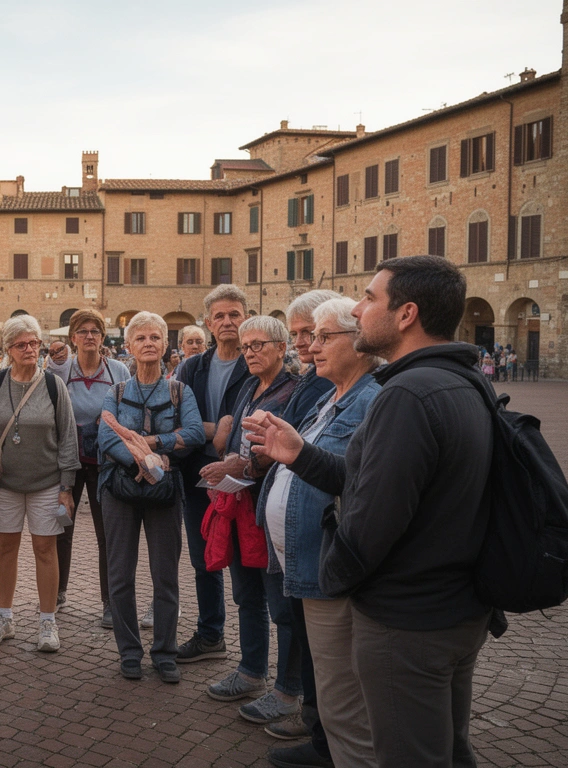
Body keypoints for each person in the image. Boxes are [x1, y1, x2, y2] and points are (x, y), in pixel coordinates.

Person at [248, 255, 494, 767]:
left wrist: (331, 577)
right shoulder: (464, 380)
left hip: (409, 615)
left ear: (406, 314)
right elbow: (377, 483)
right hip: (453, 603)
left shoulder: (406, 394)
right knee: (446, 748)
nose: (359, 309)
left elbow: (373, 517)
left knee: (400, 749)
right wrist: (301, 455)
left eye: (369, 298)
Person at [251, 298, 382, 768]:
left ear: (360, 341)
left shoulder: (371, 398)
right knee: (326, 676)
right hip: (307, 560)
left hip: (331, 561)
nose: (310, 347)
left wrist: (293, 451)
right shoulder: (332, 394)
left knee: (342, 687)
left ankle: (337, 751)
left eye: (324, 337)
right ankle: (326, 746)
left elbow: (356, 478)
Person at [198, 316, 302, 724]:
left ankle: (288, 690)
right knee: (246, 594)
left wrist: (244, 463)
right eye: (246, 347)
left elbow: (292, 450)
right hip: (241, 503)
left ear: (281, 347)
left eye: (260, 344)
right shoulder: (247, 386)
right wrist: (227, 466)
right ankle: (251, 670)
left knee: (282, 604)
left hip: (271, 506)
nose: (251, 353)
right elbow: (236, 440)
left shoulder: (295, 390)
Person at [97, 312, 203, 683]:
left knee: (165, 576)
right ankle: (129, 652)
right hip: (120, 490)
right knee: (120, 575)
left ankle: (164, 652)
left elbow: (194, 433)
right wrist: (139, 460)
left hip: (164, 490)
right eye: (140, 338)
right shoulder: (117, 391)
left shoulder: (180, 391)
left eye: (155, 337)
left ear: (165, 345)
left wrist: (152, 449)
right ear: (128, 346)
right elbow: (107, 437)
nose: (148, 344)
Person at [0, 314, 80, 653]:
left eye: (34, 343)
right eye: (21, 344)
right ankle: (4, 618)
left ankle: (47, 622)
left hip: (47, 482)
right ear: (7, 349)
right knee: (6, 548)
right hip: (6, 482)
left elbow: (68, 437)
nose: (29, 349)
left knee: (44, 550)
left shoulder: (54, 385)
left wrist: (67, 487)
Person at [174, 285, 252, 664]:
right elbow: (180, 421)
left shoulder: (255, 363)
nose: (226, 322)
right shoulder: (192, 366)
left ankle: (252, 655)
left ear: (245, 318)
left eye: (233, 315)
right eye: (219, 316)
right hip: (197, 474)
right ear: (207, 323)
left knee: (243, 560)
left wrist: (227, 433)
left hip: (242, 475)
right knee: (204, 558)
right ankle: (210, 634)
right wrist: (215, 429)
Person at [58, 309, 131, 627]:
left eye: (96, 332)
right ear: (73, 338)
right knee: (61, 529)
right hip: (69, 464)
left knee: (109, 535)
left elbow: (129, 412)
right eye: (83, 331)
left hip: (106, 464)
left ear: (103, 338)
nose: (90, 336)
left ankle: (109, 602)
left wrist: (110, 420)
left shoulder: (118, 371)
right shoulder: (61, 372)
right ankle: (56, 593)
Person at [280, 291, 342, 428]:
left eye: (308, 332)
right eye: (294, 334)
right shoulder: (315, 375)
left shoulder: (327, 382)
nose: (298, 343)